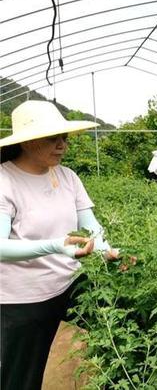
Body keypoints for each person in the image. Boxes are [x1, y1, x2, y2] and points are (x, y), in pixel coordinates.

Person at [0, 100, 119, 390]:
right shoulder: (5, 180)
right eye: (53, 138)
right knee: (21, 378)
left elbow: (90, 224)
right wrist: (54, 246)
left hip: (70, 283)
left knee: (120, 326)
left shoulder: (67, 176)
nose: (62, 145)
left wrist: (107, 250)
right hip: (23, 300)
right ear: (27, 142)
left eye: (64, 138)